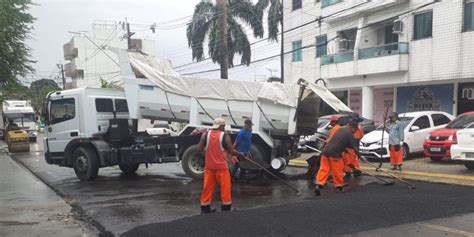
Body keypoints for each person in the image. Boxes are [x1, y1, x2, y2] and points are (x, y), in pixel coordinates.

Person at [197, 118, 243, 214]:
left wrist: (208, 153)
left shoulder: (206, 134)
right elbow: (231, 151)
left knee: (207, 189)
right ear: (222, 126)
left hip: (209, 167)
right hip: (221, 168)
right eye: (224, 126)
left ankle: (205, 209)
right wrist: (241, 154)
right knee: (225, 188)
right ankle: (226, 210)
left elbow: (199, 149)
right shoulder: (224, 136)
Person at [314, 118, 361, 196]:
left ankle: (318, 185)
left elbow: (339, 143)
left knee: (324, 169)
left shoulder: (340, 130)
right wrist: (360, 156)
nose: (355, 132)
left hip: (325, 152)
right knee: (338, 170)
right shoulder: (350, 134)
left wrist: (346, 151)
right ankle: (339, 186)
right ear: (353, 128)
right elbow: (355, 148)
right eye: (355, 130)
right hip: (335, 154)